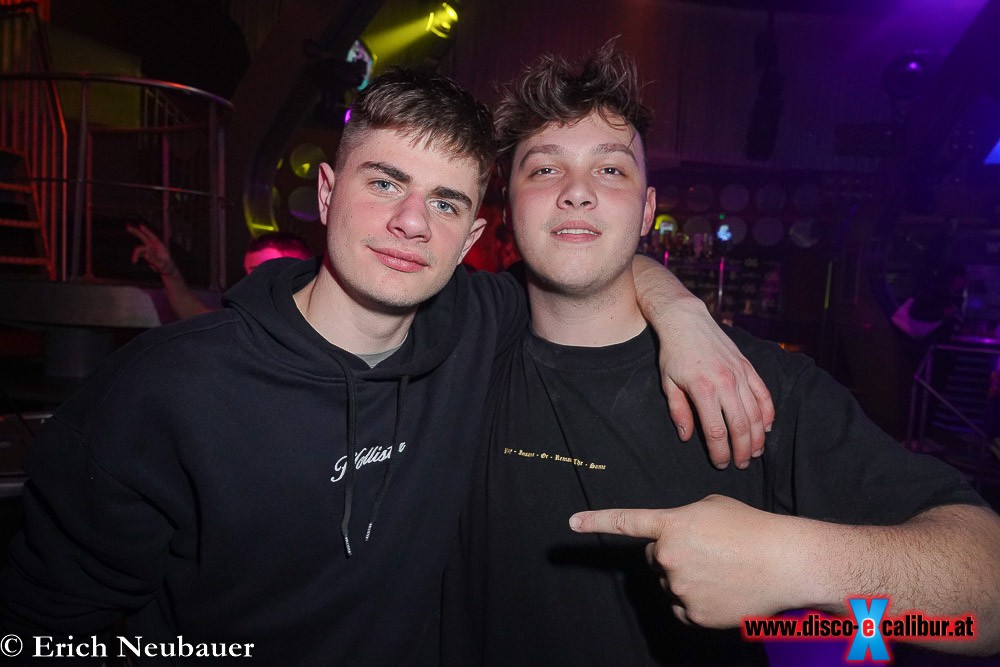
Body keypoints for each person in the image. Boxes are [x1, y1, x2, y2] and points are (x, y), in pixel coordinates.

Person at [0, 68, 773, 663]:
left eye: (445, 202)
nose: (410, 222)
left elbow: (590, 262)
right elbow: (43, 629)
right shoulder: (167, 390)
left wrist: (684, 315)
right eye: (384, 183)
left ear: (470, 239)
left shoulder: (479, 325)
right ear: (326, 192)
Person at [443, 44, 1000, 665]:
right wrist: (676, 303)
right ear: (508, 207)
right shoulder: (459, 340)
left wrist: (792, 560)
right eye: (545, 169)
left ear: (648, 210)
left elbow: (990, 590)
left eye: (611, 170)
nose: (576, 192)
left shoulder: (755, 384)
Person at [127, 224, 313, 319]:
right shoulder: (255, 320)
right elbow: (196, 315)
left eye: (263, 271)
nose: (253, 281)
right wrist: (170, 272)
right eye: (250, 272)